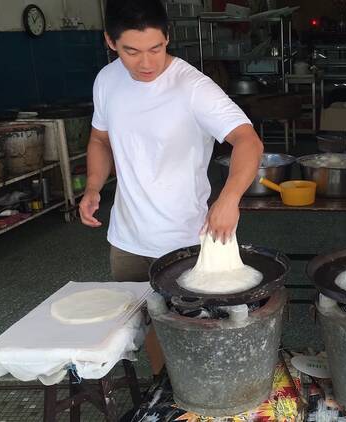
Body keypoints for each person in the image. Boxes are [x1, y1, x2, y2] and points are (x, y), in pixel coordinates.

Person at [79, 0, 263, 372]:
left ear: (167, 39)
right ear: (111, 43)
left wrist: (229, 199)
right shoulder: (107, 80)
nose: (146, 63)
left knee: (194, 333)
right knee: (145, 325)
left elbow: (248, 141)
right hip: (127, 240)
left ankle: (200, 397)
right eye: (132, 51)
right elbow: (100, 139)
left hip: (183, 241)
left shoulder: (192, 87)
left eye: (155, 49)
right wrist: (93, 186)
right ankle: (165, 392)